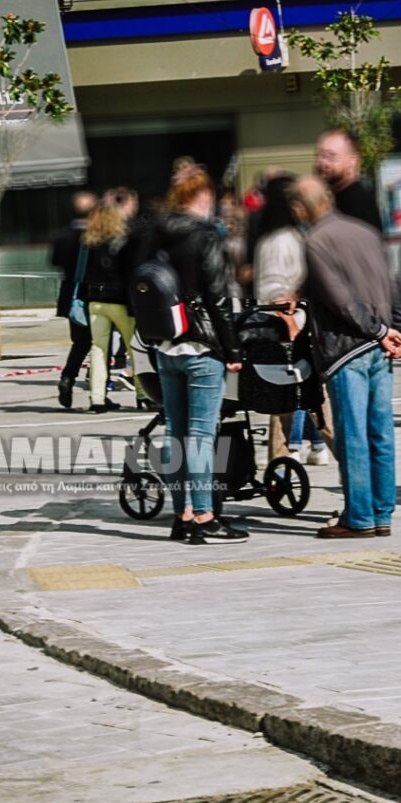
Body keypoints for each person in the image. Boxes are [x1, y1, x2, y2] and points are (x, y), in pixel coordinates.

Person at [139, 165, 246, 544]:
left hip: (165, 345)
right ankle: (204, 515)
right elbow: (218, 297)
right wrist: (233, 349)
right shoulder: (205, 235)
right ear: (202, 196)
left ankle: (181, 513)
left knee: (177, 434)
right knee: (201, 436)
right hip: (202, 345)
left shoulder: (152, 232)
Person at [303, 174, 401, 540]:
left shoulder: (316, 240)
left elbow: (338, 299)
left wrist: (379, 331)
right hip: (379, 345)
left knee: (353, 436)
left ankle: (359, 516)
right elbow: (394, 284)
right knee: (381, 433)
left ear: (303, 207)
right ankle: (382, 513)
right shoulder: (366, 233)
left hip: (348, 348)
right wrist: (395, 330)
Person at [254, 175, 333, 466]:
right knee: (316, 405)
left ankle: (281, 466)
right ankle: (351, 472)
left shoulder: (277, 237)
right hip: (290, 329)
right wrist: (287, 318)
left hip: (285, 328)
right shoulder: (283, 239)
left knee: (285, 403)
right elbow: (274, 289)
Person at [80, 196, 143, 413]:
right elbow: (130, 272)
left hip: (95, 299)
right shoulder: (122, 241)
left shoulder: (89, 242)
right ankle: (142, 393)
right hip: (119, 300)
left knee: (98, 349)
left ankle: (97, 397)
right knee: (134, 348)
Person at [51, 191, 98, 408]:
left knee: (80, 342)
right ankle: (99, 392)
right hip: (95, 294)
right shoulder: (96, 236)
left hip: (72, 294)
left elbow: (55, 261)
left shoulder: (63, 234)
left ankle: (68, 377)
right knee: (100, 343)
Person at [314, 128, 383, 232]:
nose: (323, 163)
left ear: (352, 161)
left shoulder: (358, 204)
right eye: (319, 156)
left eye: (331, 156)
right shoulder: (333, 198)